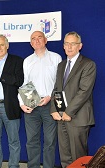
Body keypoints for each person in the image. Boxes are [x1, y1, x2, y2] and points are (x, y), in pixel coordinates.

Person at [50, 31, 96, 167]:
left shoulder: (88, 64)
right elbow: (56, 89)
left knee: (79, 158)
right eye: (66, 44)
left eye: (73, 44)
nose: (69, 47)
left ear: (80, 46)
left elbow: (84, 92)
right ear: (63, 46)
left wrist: (68, 112)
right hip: (61, 117)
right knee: (65, 157)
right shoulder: (61, 65)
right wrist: (54, 109)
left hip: (78, 118)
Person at [18, 31, 62, 168]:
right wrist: (21, 103)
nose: (36, 41)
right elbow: (24, 83)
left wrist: (50, 96)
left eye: (39, 38)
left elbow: (60, 82)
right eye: (33, 39)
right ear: (31, 43)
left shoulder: (56, 58)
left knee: (50, 141)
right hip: (32, 105)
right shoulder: (27, 61)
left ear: (45, 40)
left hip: (51, 105)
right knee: (32, 141)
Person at [0, 34, 24, 168]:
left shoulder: (17, 61)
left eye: (2, 45)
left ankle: (13, 166)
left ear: (7, 46)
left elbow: (19, 81)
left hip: (10, 106)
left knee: (14, 141)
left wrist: (0, 75)